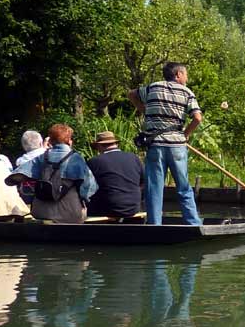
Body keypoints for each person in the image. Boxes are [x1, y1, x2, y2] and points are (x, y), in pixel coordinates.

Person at [129, 62, 202, 226]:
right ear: (178, 75)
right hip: (177, 146)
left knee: (154, 188)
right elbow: (197, 118)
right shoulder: (187, 92)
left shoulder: (152, 88)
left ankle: (155, 224)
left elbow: (131, 94)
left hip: (155, 145)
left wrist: (143, 109)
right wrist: (186, 134)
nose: (187, 78)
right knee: (183, 187)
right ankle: (193, 223)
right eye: (185, 74)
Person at [6, 124, 97, 224]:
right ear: (69, 140)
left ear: (50, 141)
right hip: (70, 212)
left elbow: (14, 178)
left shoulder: (42, 157)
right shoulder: (75, 158)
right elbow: (90, 187)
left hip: (41, 211)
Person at [86, 131, 144, 219]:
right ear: (116, 144)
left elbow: (87, 186)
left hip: (108, 208)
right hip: (133, 207)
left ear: (99, 146)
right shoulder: (133, 157)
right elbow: (143, 182)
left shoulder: (94, 162)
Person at [14, 130, 49, 203]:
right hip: (46, 196)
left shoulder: (19, 162)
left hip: (26, 196)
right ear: (41, 143)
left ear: (24, 146)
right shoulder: (48, 156)